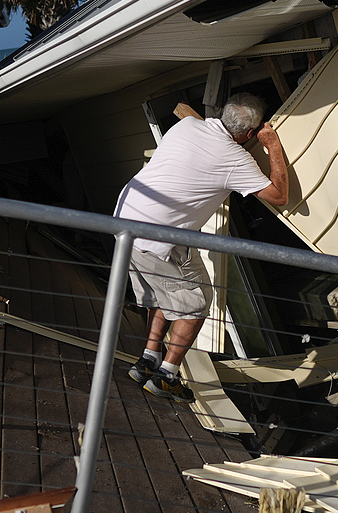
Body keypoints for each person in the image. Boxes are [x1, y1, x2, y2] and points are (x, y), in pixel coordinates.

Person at [113, 91, 292, 400]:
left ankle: (148, 361)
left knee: (165, 295)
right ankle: (165, 376)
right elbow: (279, 196)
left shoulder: (187, 127)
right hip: (160, 239)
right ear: (250, 134)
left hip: (125, 223)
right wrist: (273, 145)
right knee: (194, 305)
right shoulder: (236, 159)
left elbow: (188, 115)